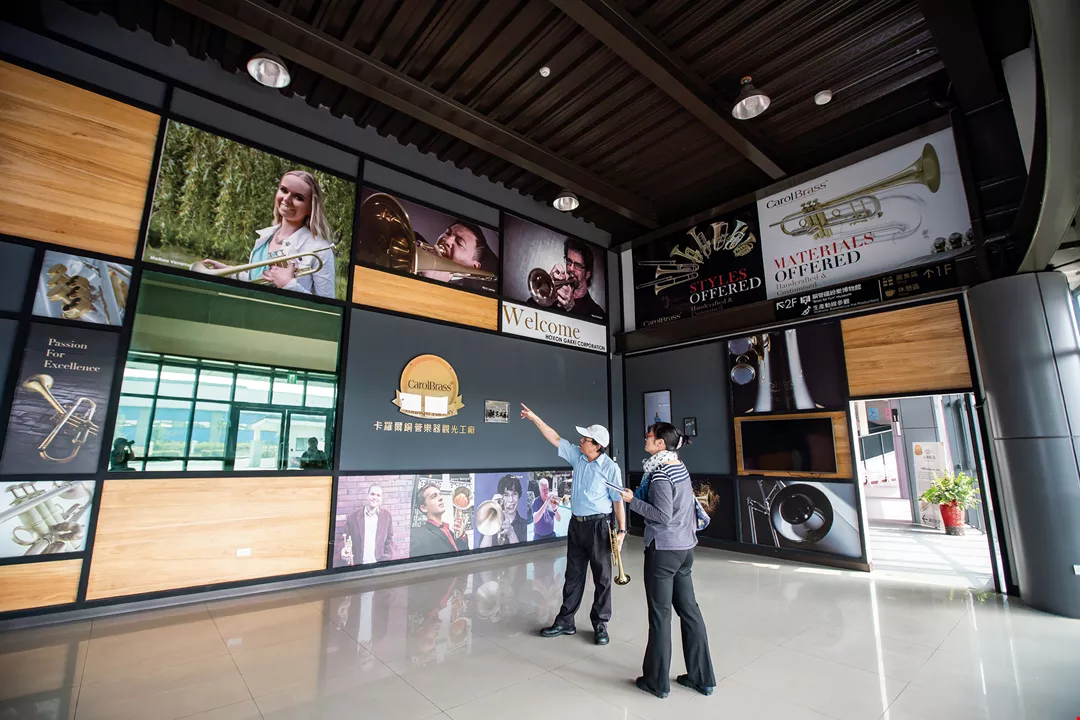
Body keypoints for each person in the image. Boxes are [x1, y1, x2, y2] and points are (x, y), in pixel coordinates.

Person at [617, 422, 715, 699]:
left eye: (649, 436)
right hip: (685, 549)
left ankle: (656, 682)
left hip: (663, 550)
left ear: (661, 443)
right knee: (690, 611)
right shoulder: (678, 467)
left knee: (660, 615)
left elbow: (662, 515)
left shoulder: (660, 474)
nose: (645, 439)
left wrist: (631, 500)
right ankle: (702, 678)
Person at [521, 403, 625, 645]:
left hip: (600, 527)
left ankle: (600, 624)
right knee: (573, 575)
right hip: (577, 525)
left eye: (585, 439)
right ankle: (565, 621)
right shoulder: (577, 456)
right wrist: (535, 417)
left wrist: (622, 531)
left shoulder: (610, 469)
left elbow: (618, 501)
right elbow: (555, 437)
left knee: (602, 578)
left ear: (597, 445)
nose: (581, 440)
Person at [199, 170, 336, 298]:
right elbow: (258, 280)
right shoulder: (266, 237)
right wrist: (229, 272)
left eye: (298, 197)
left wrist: (288, 285)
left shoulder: (320, 249)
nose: (286, 199)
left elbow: (327, 308)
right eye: (284, 190)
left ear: (311, 207)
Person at [526, 237, 606, 322]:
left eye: (578, 265)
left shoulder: (597, 312)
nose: (571, 268)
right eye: (569, 261)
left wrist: (571, 308)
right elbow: (528, 311)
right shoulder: (555, 296)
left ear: (587, 274)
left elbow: (584, 329)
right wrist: (546, 288)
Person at [418, 220, 498, 293]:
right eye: (448, 233)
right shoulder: (415, 238)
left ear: (473, 267)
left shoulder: (467, 296)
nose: (447, 240)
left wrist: (432, 286)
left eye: (459, 242)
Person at [411, 480, 470, 557]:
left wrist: (461, 535)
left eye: (440, 494)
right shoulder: (417, 535)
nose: (441, 498)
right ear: (424, 508)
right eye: (434, 496)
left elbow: (463, 557)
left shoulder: (451, 532)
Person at [341, 483, 395, 566]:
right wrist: (343, 550)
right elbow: (343, 539)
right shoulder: (352, 517)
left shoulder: (387, 516)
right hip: (359, 565)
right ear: (367, 496)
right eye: (372, 494)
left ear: (381, 498)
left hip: (378, 565)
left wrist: (387, 557)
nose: (375, 497)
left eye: (378, 495)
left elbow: (389, 539)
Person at [479, 474, 529, 547]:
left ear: (519, 496)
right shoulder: (489, 523)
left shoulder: (525, 525)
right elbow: (482, 552)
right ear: (500, 497)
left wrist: (511, 533)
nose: (511, 500)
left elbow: (524, 552)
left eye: (514, 494)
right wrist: (490, 523)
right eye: (506, 495)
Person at [531, 476, 561, 541]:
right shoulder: (535, 502)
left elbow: (559, 519)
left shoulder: (552, 500)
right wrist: (546, 502)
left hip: (551, 535)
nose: (546, 491)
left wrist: (555, 509)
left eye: (547, 489)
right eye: (543, 489)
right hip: (539, 537)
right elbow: (535, 519)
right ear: (539, 490)